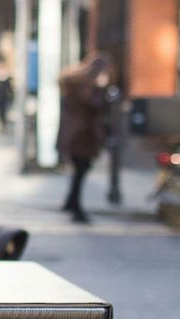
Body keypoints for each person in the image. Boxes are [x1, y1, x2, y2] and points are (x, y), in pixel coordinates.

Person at [56, 52, 112, 223]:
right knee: (81, 171)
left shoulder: (75, 84)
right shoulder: (87, 87)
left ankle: (71, 203)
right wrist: (102, 89)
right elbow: (96, 106)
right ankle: (75, 208)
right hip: (82, 136)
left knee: (80, 171)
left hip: (74, 135)